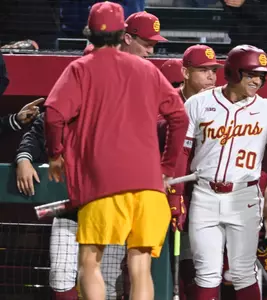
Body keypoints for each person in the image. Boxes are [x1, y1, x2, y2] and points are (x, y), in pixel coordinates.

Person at [42, 2, 189, 300]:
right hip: (149, 190)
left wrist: (55, 154)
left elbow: (54, 114)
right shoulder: (147, 70)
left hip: (102, 188)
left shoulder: (81, 68)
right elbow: (180, 118)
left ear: (89, 33)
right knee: (140, 267)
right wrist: (167, 168)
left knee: (89, 262)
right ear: (123, 33)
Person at [176, 44, 267, 300]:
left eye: (262, 76)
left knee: (244, 272)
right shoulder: (199, 103)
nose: (258, 80)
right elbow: (182, 153)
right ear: (233, 72)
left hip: (243, 197)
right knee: (206, 274)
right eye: (251, 74)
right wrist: (176, 194)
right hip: (204, 194)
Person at [15, 112, 127, 300]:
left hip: (112, 213)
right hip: (70, 213)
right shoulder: (62, 109)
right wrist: (23, 159)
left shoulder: (118, 108)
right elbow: (35, 135)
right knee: (60, 277)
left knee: (108, 282)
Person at [157, 45, 222, 300]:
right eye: (203, 70)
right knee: (155, 267)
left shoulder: (220, 105)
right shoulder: (166, 103)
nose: (210, 77)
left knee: (198, 270)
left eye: (213, 71)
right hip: (163, 192)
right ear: (185, 72)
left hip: (202, 196)